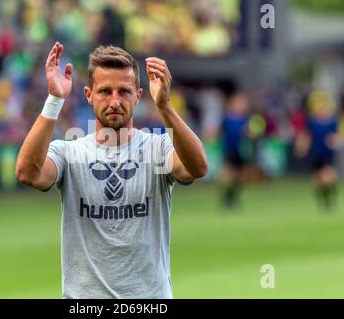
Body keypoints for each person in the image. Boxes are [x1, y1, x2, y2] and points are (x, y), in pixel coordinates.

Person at [15, 42, 208, 298]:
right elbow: (27, 173)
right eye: (105, 91)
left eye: (124, 92)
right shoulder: (70, 153)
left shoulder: (158, 148)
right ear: (88, 94)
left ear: (138, 96)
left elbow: (197, 167)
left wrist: (165, 107)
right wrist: (55, 99)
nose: (115, 101)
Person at [295, 91, 340, 211]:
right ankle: (323, 201)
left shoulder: (333, 122)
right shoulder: (311, 123)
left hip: (327, 155)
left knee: (329, 177)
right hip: (315, 154)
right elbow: (305, 136)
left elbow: (337, 136)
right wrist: (301, 147)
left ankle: (330, 201)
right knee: (318, 180)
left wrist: (336, 141)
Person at [219, 92, 251, 209]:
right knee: (228, 175)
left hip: (241, 151)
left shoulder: (246, 119)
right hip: (229, 150)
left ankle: (233, 197)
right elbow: (220, 132)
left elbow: (249, 134)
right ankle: (225, 198)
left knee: (240, 177)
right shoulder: (227, 119)